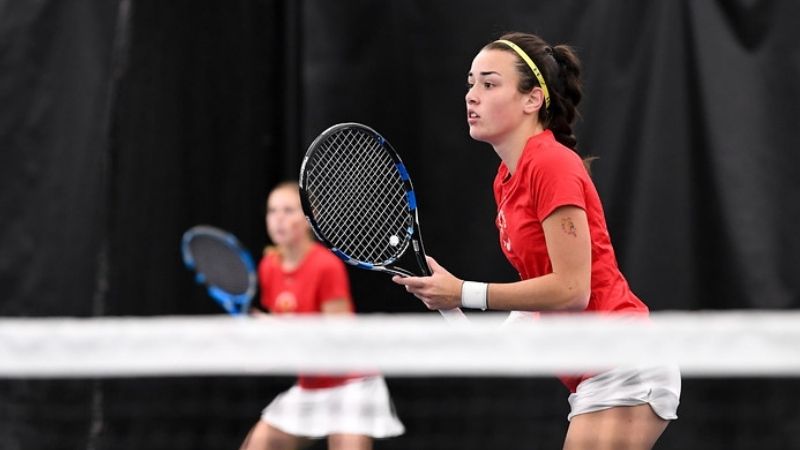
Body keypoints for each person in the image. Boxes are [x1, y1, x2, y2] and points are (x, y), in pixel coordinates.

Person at [392, 32, 681, 449]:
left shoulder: (551, 163)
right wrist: (452, 303)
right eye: (471, 82)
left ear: (532, 100)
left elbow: (571, 289)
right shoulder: (507, 181)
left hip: (625, 360)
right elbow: (537, 297)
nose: (472, 95)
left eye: (489, 84)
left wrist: (465, 292)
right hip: (591, 373)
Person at [240, 181, 404, 450]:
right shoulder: (268, 266)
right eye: (272, 211)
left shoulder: (325, 266)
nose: (278, 219)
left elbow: (338, 338)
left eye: (288, 211)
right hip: (311, 385)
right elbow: (281, 335)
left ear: (307, 219)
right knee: (258, 445)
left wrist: (281, 331)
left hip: (352, 384)